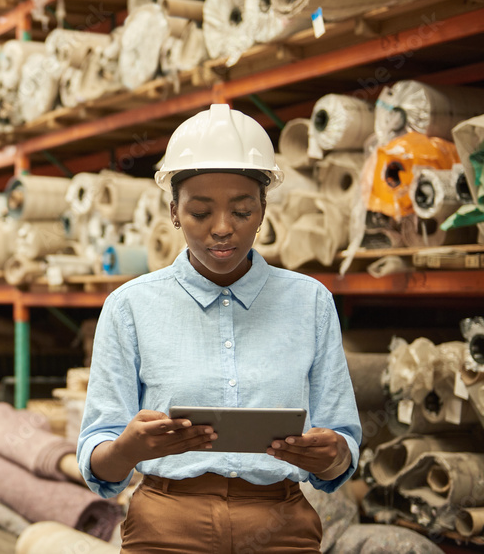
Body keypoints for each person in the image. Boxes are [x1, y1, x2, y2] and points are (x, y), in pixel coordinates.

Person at [77, 105, 361, 553]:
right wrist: (127, 449)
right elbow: (101, 461)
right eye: (200, 212)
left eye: (242, 211)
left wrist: (333, 455)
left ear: (264, 209)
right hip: (165, 527)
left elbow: (341, 443)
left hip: (280, 527)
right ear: (173, 211)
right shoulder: (130, 307)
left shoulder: (310, 302)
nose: (222, 229)